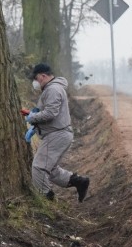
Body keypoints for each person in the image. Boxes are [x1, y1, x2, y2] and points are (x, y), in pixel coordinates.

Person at [26, 63, 90, 202]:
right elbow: (49, 112)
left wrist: (32, 118)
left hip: (57, 134)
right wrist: (35, 123)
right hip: (60, 134)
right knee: (51, 170)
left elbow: (50, 113)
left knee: (38, 167)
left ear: (43, 76)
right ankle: (80, 182)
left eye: (36, 79)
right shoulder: (52, 88)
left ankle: (46, 198)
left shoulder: (53, 89)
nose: (35, 83)